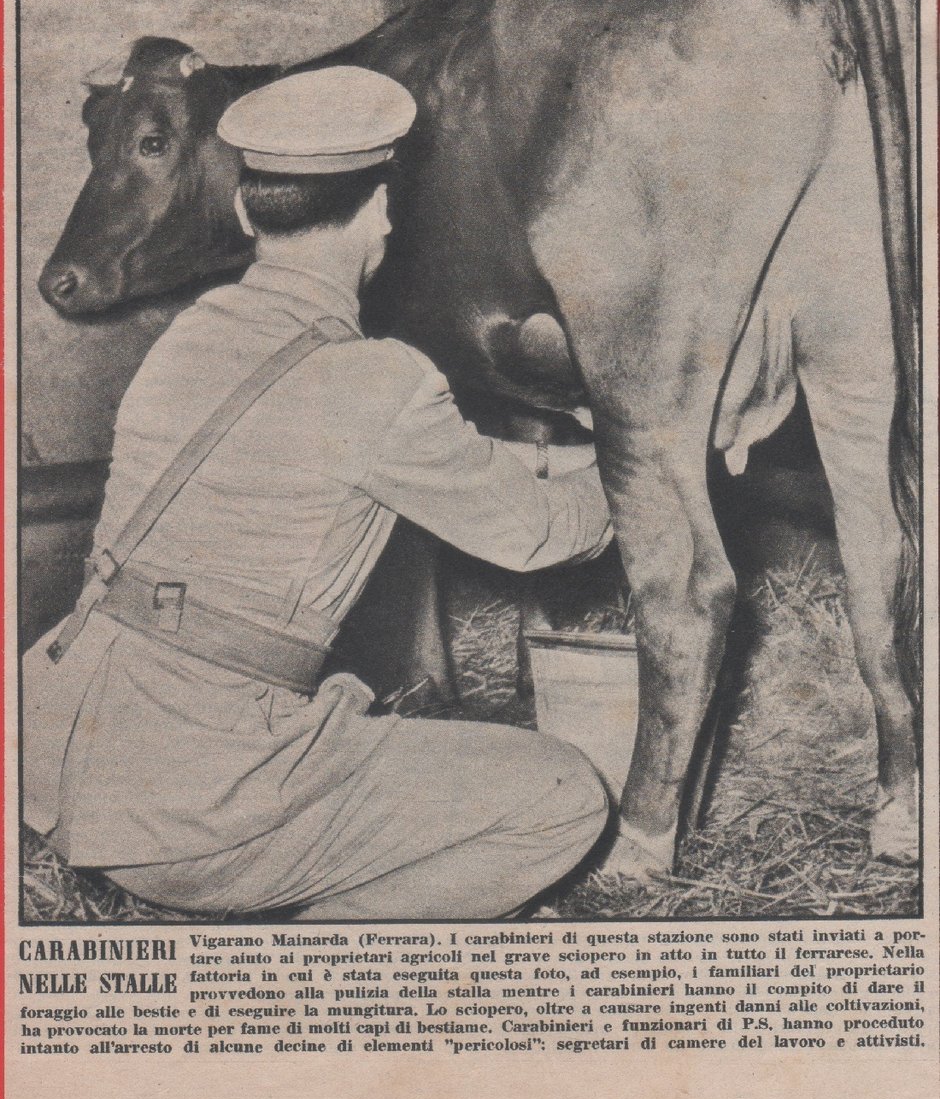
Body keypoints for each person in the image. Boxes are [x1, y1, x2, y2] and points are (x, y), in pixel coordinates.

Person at [23, 66, 613, 921]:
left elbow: (347, 456)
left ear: (243, 211)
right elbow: (544, 536)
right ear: (381, 212)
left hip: (55, 751)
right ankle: (305, 953)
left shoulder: (191, 337)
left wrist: (555, 458)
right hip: (194, 809)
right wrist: (644, 462)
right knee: (563, 797)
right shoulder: (380, 379)